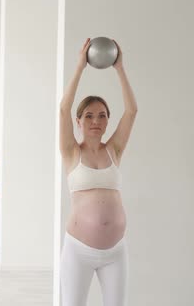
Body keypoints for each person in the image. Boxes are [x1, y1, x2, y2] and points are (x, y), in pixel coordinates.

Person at [59, 38, 138, 306]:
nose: (96, 121)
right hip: (78, 251)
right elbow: (62, 109)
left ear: (108, 121)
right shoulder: (71, 152)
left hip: (115, 251)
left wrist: (120, 68)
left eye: (102, 115)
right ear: (78, 121)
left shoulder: (114, 149)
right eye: (89, 116)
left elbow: (132, 111)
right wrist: (80, 67)